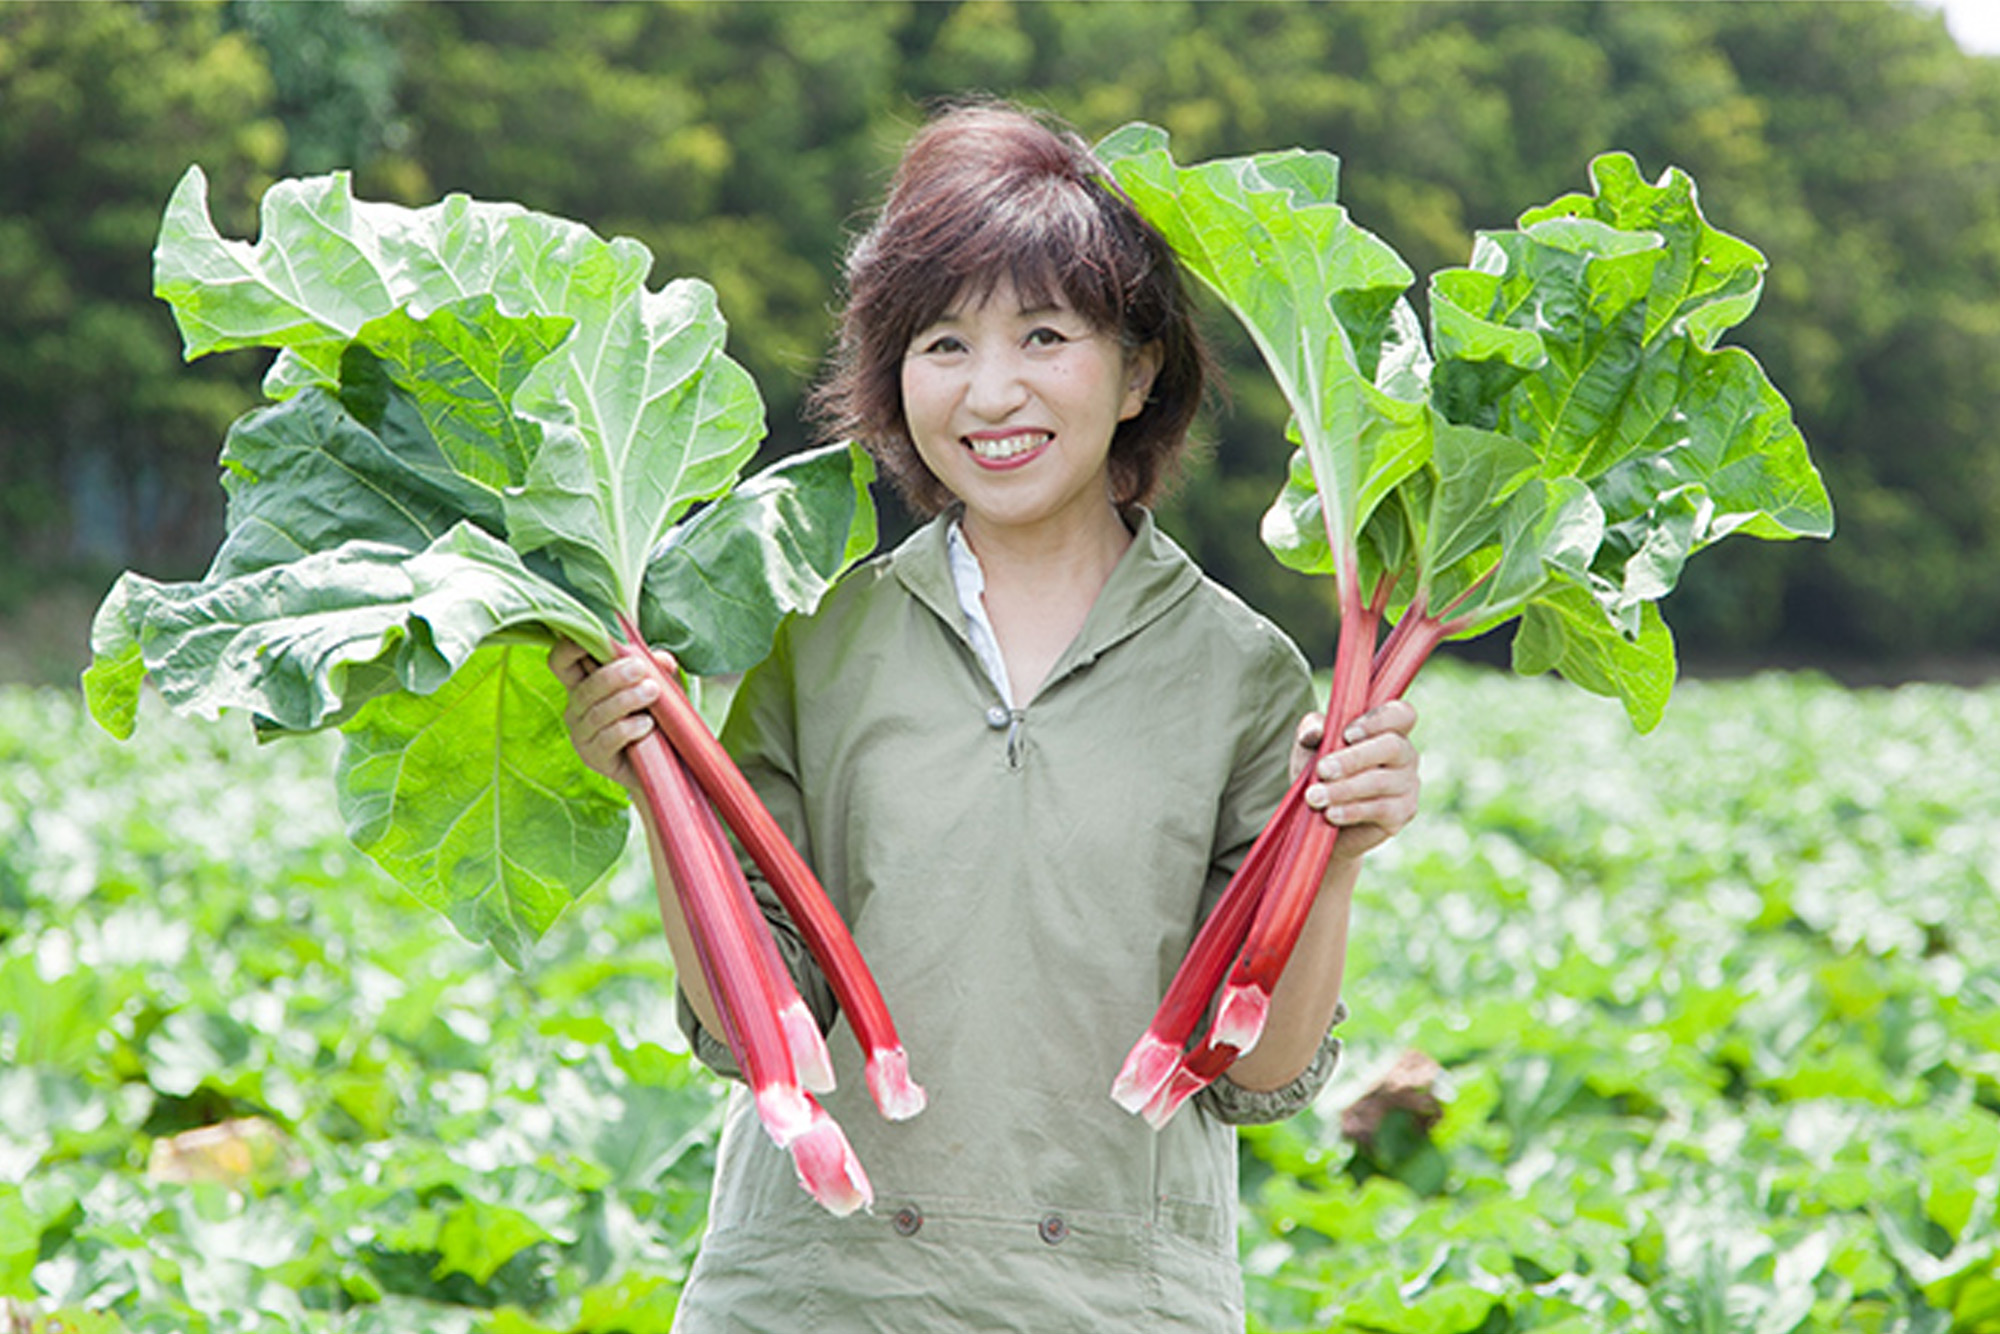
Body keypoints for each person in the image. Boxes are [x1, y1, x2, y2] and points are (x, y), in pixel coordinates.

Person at [550, 99, 1420, 1332]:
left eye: (1044, 335)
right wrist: (660, 787)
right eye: (942, 343)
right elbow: (756, 1029)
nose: (990, 391)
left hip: (1116, 1300)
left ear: (1138, 369)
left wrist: (1336, 855)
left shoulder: (1242, 675)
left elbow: (1257, 1070)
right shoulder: (814, 640)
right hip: (811, 1295)